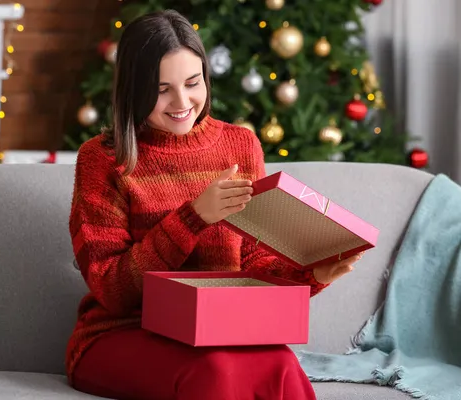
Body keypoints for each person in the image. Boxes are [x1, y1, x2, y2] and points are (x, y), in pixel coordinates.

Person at [67, 9, 363, 400]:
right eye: (161, 90)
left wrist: (312, 274)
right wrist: (193, 218)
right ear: (134, 89)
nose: (182, 101)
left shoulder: (240, 145)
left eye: (193, 83)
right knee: (214, 372)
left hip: (220, 332)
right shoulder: (102, 159)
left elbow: (253, 267)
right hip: (120, 333)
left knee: (282, 365)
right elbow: (112, 288)